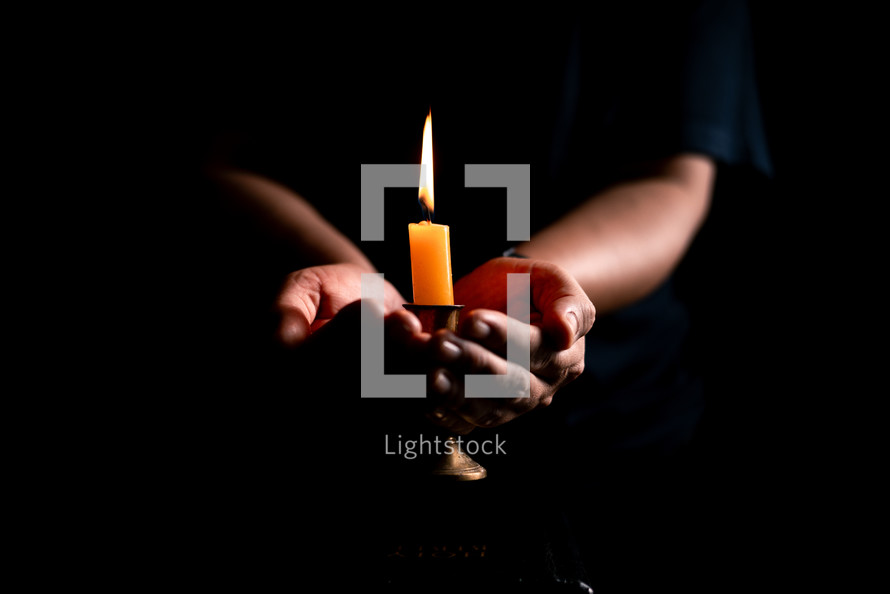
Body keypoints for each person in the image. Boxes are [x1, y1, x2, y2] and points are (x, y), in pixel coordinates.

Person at [172, 1, 772, 590]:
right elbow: (228, 152)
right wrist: (357, 287)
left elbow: (669, 178)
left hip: (614, 442)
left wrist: (523, 287)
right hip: (303, 441)